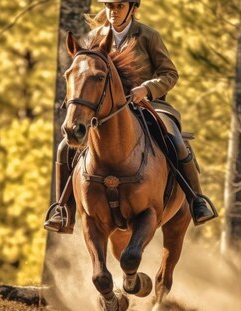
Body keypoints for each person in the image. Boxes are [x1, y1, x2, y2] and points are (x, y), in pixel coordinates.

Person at [44, 0, 215, 233]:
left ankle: (197, 200)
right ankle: (62, 211)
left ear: (133, 8)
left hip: (146, 103)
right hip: (105, 110)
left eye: (119, 6)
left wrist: (146, 89)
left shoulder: (148, 36)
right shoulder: (93, 37)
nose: (113, 11)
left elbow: (170, 74)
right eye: (109, 6)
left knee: (174, 138)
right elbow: (82, 74)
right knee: (65, 147)